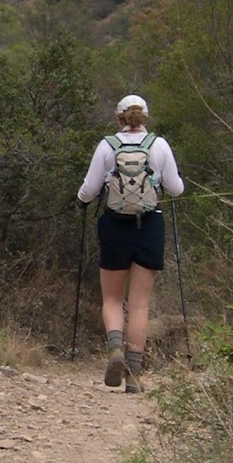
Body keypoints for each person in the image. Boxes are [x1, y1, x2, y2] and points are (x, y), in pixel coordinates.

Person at [77, 94, 184, 391]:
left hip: (114, 226)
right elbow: (176, 189)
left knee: (112, 299)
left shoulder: (107, 146)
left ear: (118, 118)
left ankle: (115, 349)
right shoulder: (159, 146)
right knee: (140, 304)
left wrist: (80, 200)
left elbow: (88, 190)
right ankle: (134, 375)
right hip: (149, 226)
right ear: (145, 117)